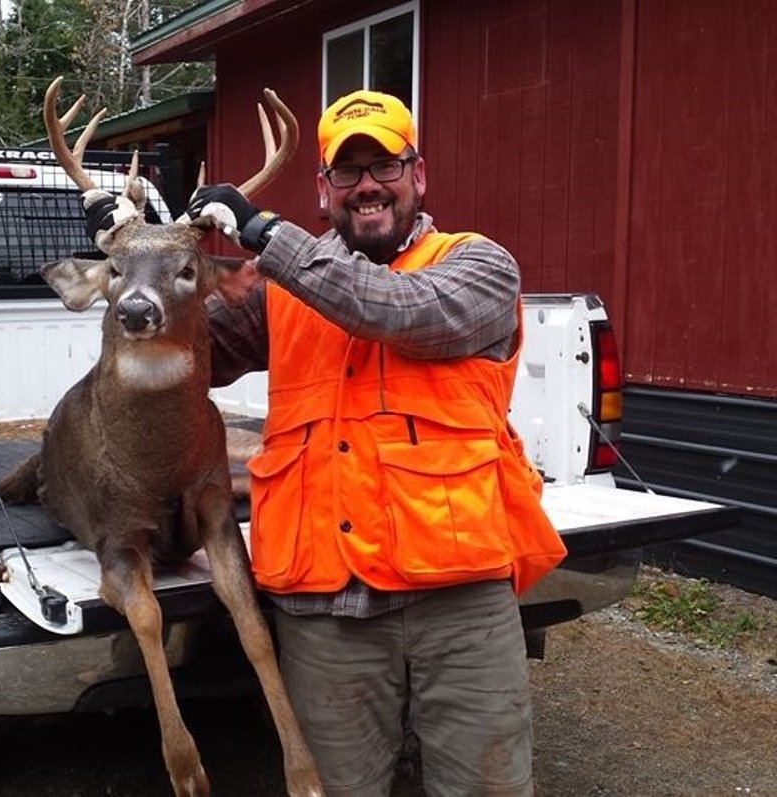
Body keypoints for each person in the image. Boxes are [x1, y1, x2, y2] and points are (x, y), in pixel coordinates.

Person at [84, 89, 567, 795]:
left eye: (386, 165)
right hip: (325, 610)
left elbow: (391, 310)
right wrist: (135, 260)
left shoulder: (476, 267)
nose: (367, 184)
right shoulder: (281, 292)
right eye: (347, 171)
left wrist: (265, 234)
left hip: (457, 603)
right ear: (325, 188)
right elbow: (173, 349)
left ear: (419, 176)